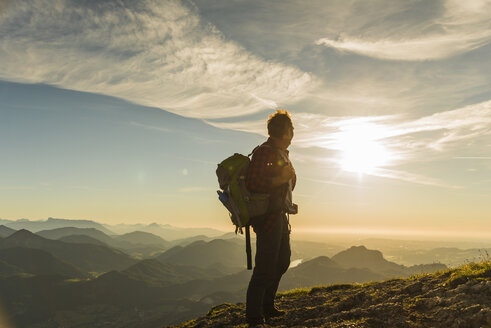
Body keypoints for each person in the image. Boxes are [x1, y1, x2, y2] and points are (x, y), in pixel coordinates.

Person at [245, 109, 297, 327]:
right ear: (284, 131)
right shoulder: (264, 152)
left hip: (279, 215)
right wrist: (280, 179)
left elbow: (288, 183)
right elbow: (253, 183)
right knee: (265, 267)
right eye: (291, 128)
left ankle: (267, 306)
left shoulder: (281, 153)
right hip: (267, 218)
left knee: (283, 260)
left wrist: (287, 184)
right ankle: (254, 317)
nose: (293, 132)